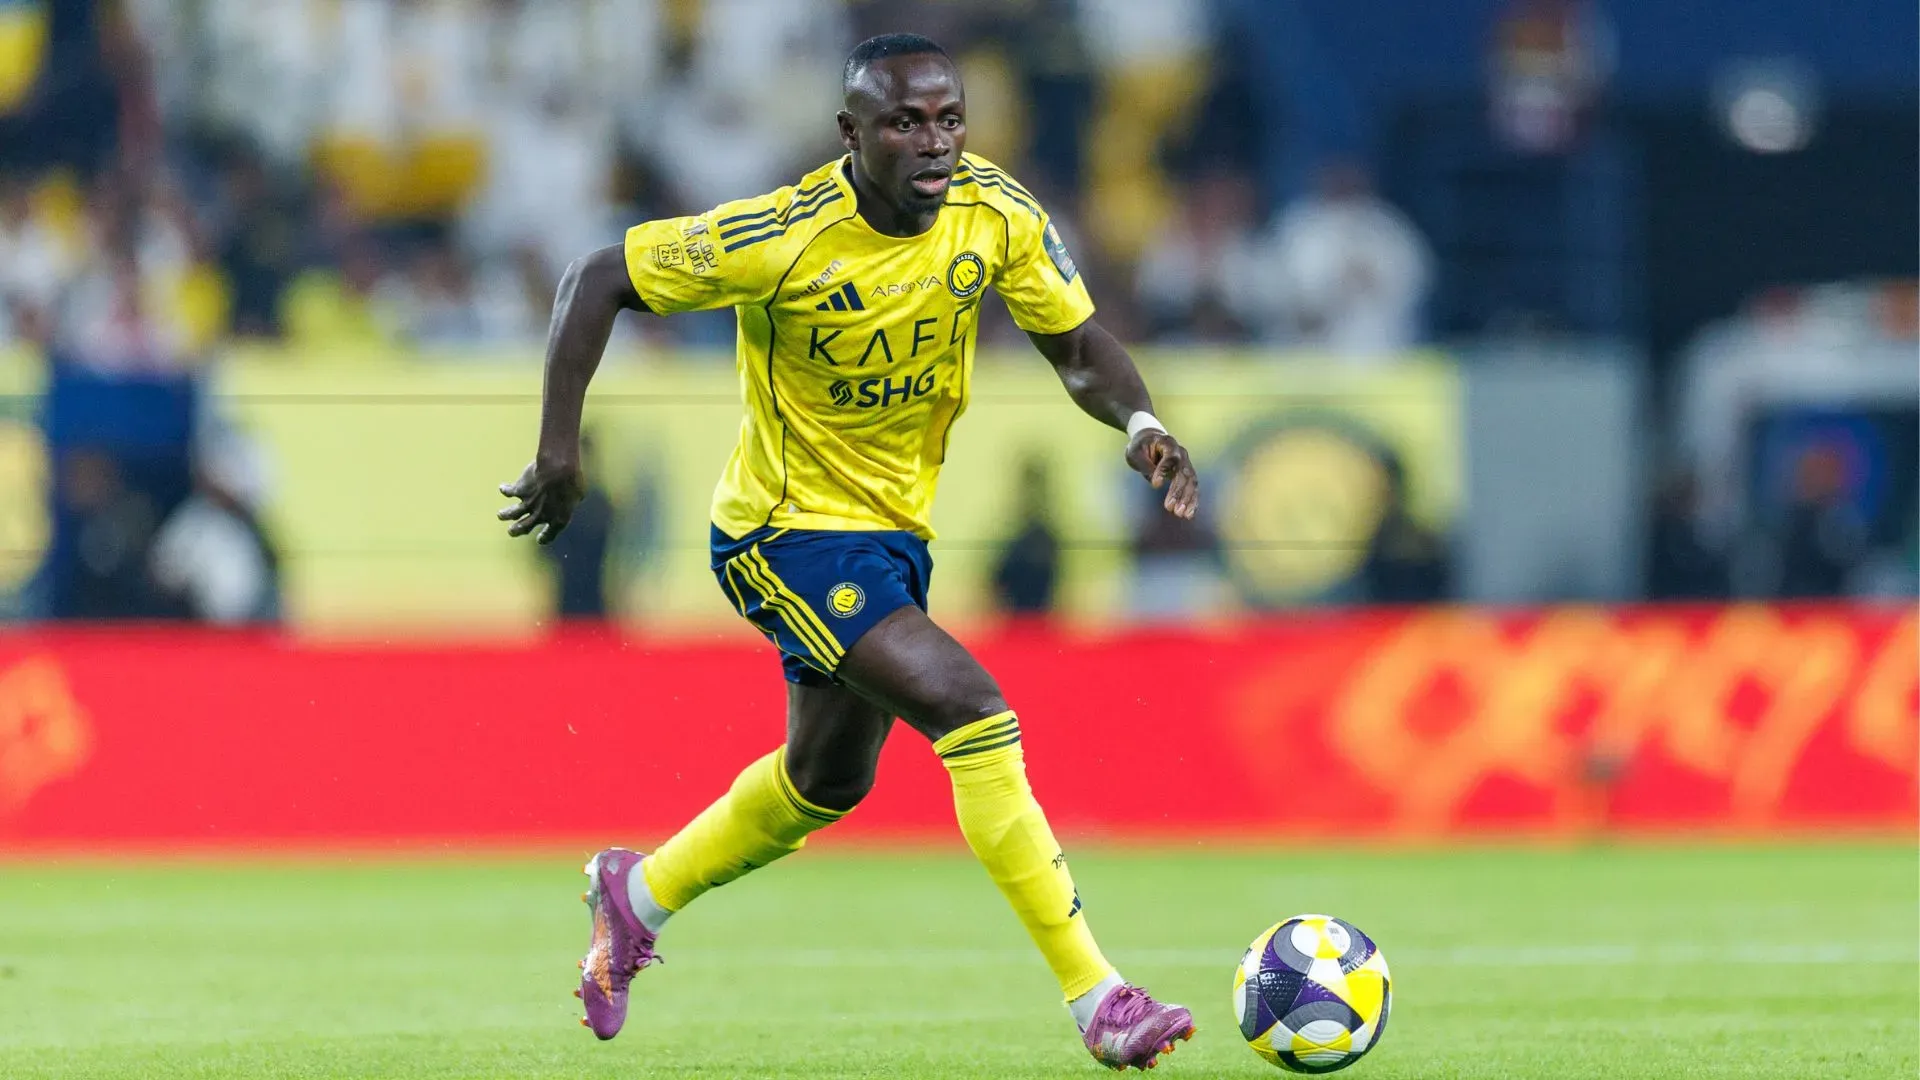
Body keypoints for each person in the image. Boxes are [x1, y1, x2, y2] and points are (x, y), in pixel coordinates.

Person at [496, 33, 1201, 1071]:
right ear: (851, 134)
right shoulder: (783, 235)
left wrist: (1141, 423)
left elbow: (1078, 346)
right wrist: (559, 448)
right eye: (905, 123)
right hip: (781, 532)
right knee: (973, 710)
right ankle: (1099, 997)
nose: (935, 142)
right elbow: (595, 278)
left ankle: (635, 893)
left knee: (825, 782)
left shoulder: (996, 213)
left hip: (891, 536)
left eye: (949, 119)